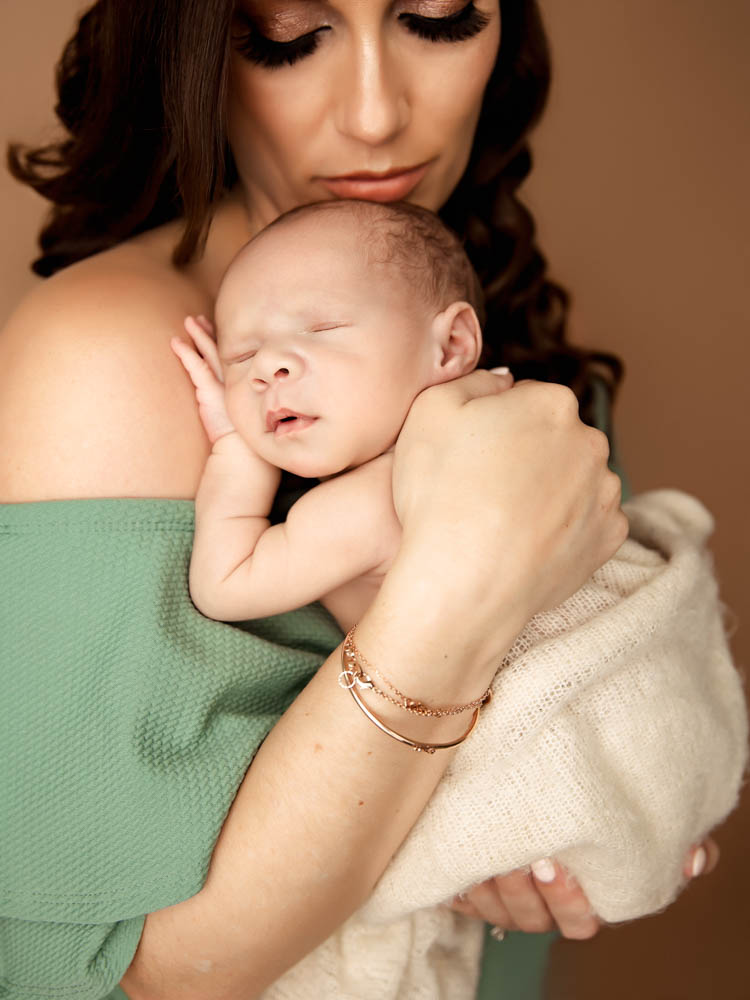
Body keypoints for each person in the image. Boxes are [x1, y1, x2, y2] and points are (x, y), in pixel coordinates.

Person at [0, 1, 719, 998]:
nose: (378, 115)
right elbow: (116, 970)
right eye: (288, 36)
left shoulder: (516, 334)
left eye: (439, 18)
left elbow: (597, 685)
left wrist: (575, 805)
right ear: (197, 46)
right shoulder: (113, 357)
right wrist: (461, 601)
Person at [173, 198, 495, 631]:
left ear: (452, 344)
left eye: (322, 329)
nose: (267, 366)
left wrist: (235, 450)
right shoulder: (499, 420)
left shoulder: (376, 501)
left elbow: (224, 585)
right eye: (242, 355)